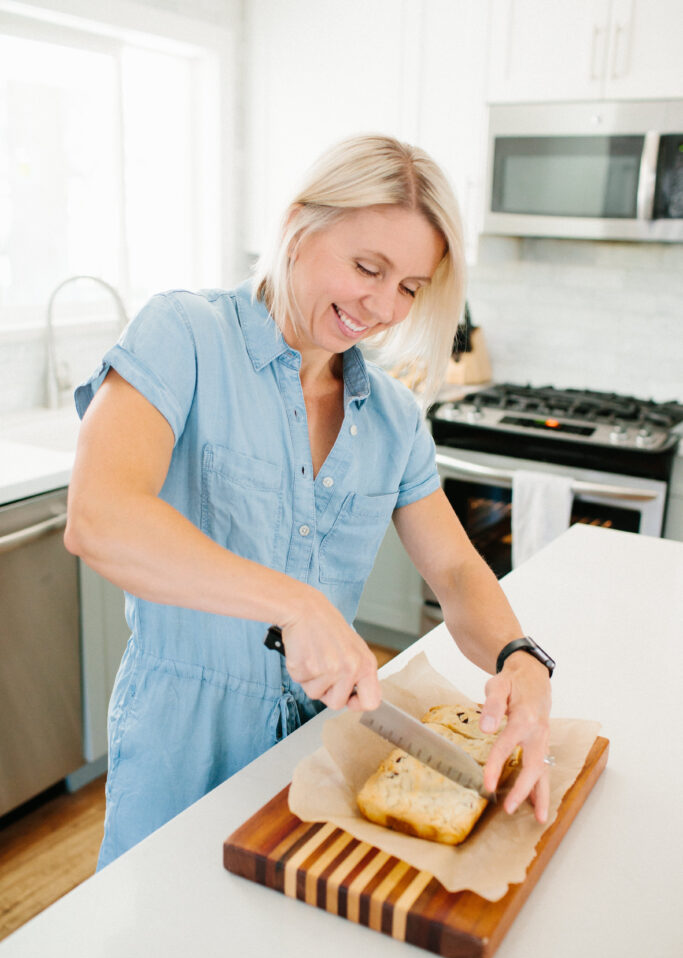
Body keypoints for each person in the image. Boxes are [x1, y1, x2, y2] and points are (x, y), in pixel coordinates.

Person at [65, 134, 552, 870]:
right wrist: (295, 603)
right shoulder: (184, 334)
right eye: (367, 267)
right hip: (177, 742)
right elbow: (100, 518)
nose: (382, 305)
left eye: (409, 288)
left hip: (316, 751)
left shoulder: (391, 416)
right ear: (298, 224)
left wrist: (520, 659)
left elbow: (453, 571)